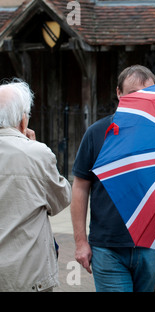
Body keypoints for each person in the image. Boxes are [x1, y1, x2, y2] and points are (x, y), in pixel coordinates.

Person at [71, 65, 155, 292]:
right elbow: (80, 187)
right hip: (107, 247)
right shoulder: (97, 133)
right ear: (119, 93)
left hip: (150, 246)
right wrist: (80, 242)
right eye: (134, 94)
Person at [0, 79, 71, 292]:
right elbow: (61, 199)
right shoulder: (37, 154)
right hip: (28, 274)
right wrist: (33, 145)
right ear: (23, 119)